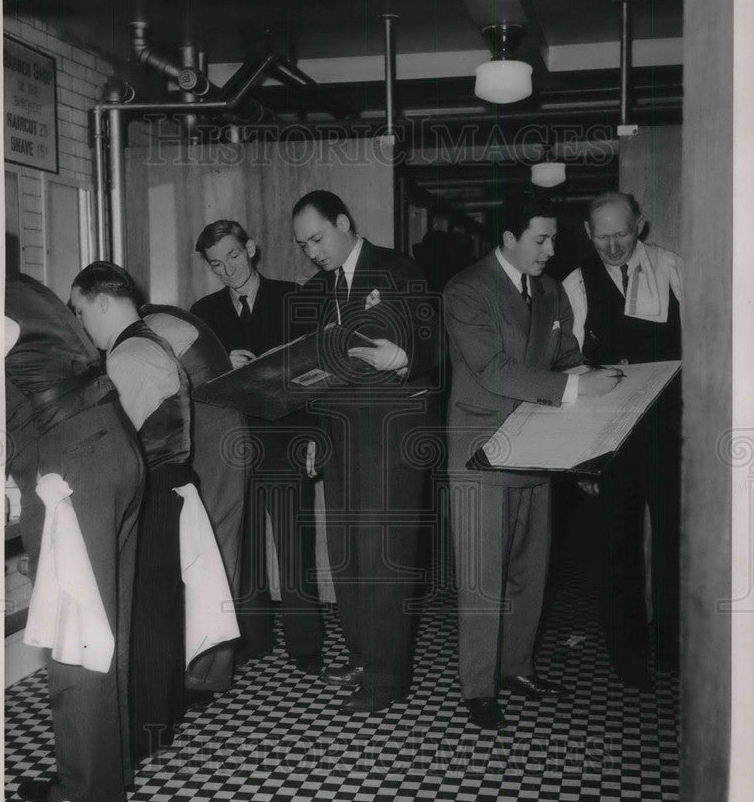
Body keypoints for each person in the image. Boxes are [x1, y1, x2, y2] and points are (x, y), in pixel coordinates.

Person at [444, 188, 622, 731]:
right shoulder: (466, 290)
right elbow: (494, 371)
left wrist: (601, 375)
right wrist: (575, 390)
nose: (549, 250)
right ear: (508, 239)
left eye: (553, 239)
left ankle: (517, 666)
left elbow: (566, 357)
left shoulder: (550, 292)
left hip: (538, 445)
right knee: (483, 577)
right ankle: (478, 687)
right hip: (482, 451)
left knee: (531, 569)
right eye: (540, 239)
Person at [70, 262, 238, 762]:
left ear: (102, 302)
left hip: (153, 488)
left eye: (81, 311)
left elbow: (120, 446)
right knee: (159, 609)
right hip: (173, 484)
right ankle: (157, 722)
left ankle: (143, 728)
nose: (82, 324)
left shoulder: (129, 355)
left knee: (145, 612)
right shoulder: (151, 342)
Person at [4, 273, 144, 802]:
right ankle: (102, 772)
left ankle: (82, 792)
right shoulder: (12, 286)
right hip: (112, 443)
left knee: (74, 631)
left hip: (74, 460)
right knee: (106, 626)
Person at [291, 189, 443, 714]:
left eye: (318, 238)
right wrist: (312, 436)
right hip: (339, 439)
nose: (313, 251)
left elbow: (436, 342)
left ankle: (388, 676)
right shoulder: (317, 291)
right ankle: (362, 656)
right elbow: (311, 374)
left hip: (390, 439)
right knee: (348, 556)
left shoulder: (399, 269)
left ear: (344, 220)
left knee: (384, 561)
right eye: (304, 245)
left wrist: (402, 355)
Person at [192, 220, 325, 674]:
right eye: (216, 263)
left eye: (233, 256)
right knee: (242, 550)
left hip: (286, 442)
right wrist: (219, 364)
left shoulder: (294, 296)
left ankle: (306, 646)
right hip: (230, 450)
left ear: (250, 248)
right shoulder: (203, 312)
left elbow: (318, 375)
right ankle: (253, 639)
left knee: (295, 549)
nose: (227, 269)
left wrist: (314, 439)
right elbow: (193, 383)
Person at [562, 191, 682, 686]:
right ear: (588, 234)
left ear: (642, 225)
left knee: (677, 542)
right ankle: (627, 658)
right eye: (602, 236)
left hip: (672, 430)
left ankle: (674, 649)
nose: (613, 245)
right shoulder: (574, 284)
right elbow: (567, 369)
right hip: (610, 437)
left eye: (623, 233)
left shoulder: (674, 268)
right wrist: (582, 457)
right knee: (615, 547)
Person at [141, 303, 249, 696]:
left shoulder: (151, 328)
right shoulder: (166, 316)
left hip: (213, 431)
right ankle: (209, 669)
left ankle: (205, 672)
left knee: (213, 555)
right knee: (220, 552)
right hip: (222, 428)